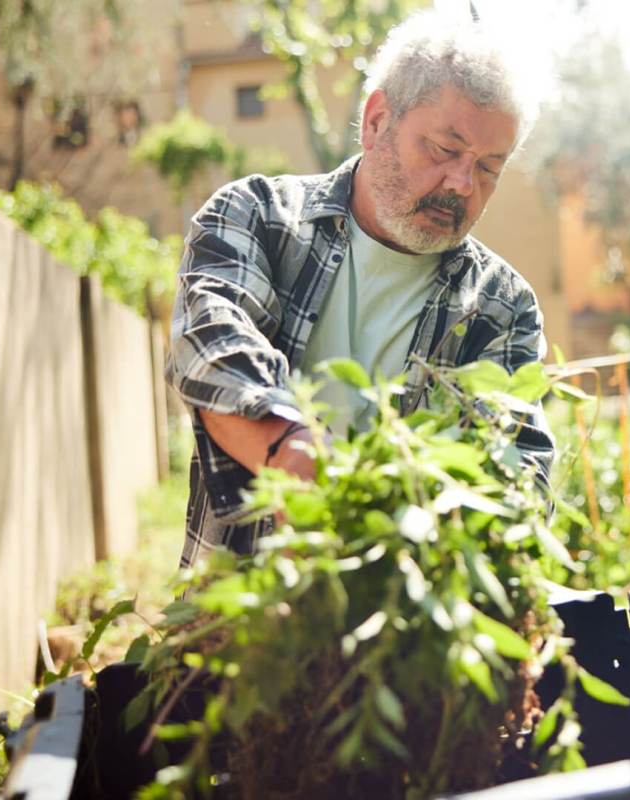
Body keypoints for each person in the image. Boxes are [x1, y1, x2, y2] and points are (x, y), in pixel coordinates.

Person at [165, 11, 553, 569]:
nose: (462, 185)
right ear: (376, 121)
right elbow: (208, 352)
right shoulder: (256, 217)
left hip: (408, 631)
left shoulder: (502, 306)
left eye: (489, 167)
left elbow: (518, 470)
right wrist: (294, 454)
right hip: (236, 624)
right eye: (445, 149)